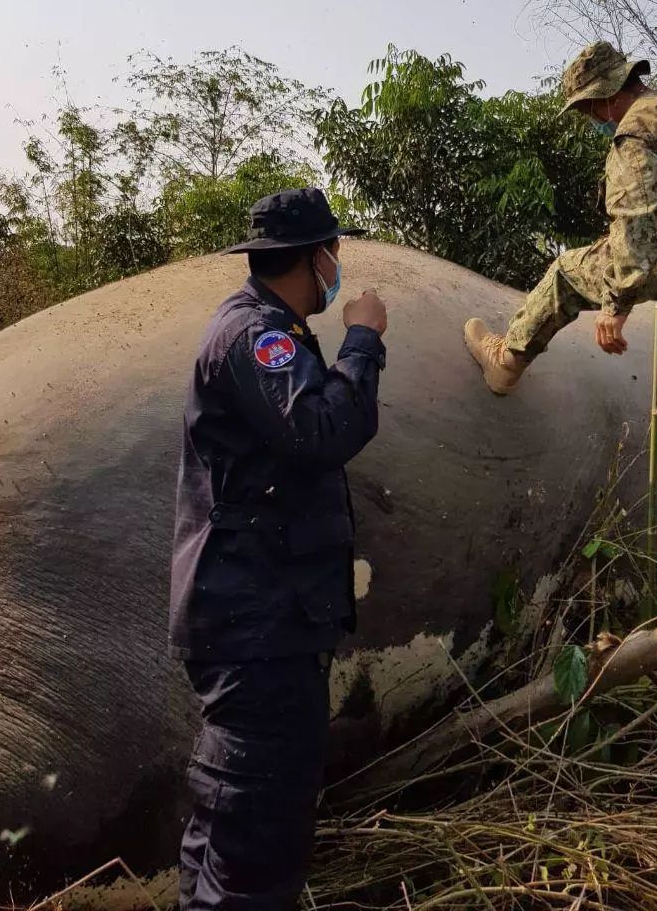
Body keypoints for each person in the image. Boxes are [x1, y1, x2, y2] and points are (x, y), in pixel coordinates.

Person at [464, 41, 657, 602]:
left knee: (567, 271)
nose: (591, 119)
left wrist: (617, 301)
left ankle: (507, 360)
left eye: (589, 109)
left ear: (602, 99)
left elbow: (638, 218)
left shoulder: (636, 127)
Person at [168, 187, 388, 911]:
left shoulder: (271, 330)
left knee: (227, 820)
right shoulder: (255, 336)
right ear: (313, 256)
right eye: (335, 252)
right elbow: (320, 432)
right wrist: (364, 340)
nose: (339, 266)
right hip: (257, 627)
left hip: (262, 621)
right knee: (258, 845)